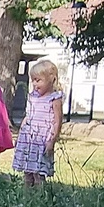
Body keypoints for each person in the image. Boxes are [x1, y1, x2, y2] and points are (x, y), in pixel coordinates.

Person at [12, 58, 65, 187]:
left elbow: (58, 121)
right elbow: (28, 116)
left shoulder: (54, 99)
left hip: (42, 140)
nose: (35, 84)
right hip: (29, 140)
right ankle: (27, 199)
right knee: (27, 172)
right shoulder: (32, 97)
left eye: (38, 80)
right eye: (33, 81)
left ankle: (39, 199)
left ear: (51, 79)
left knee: (39, 173)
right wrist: (20, 135)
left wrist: (52, 141)